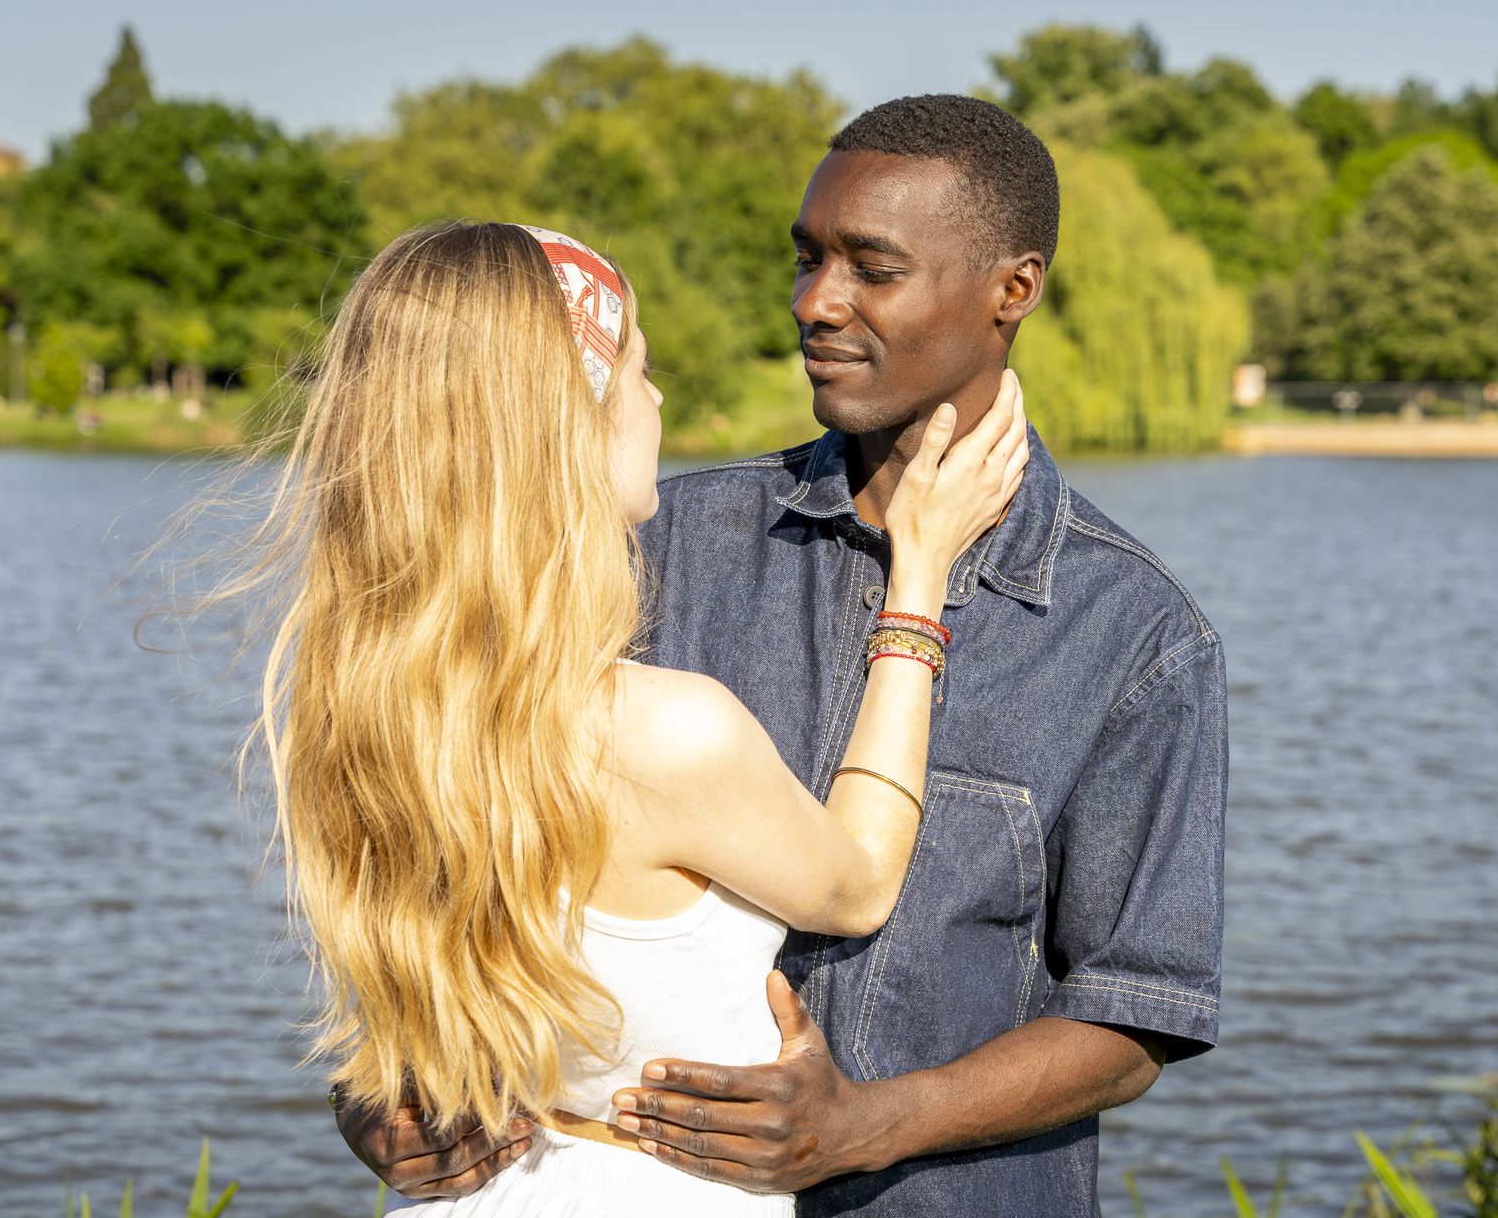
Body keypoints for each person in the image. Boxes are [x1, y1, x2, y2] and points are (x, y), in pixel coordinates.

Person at [342, 95, 1229, 1216]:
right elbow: (446, 835)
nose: (817, 302)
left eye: (874, 267)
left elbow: (1135, 1015)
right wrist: (383, 1086)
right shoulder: (647, 546)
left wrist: (863, 1127)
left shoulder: (1134, 630)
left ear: (1014, 288)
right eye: (807, 258)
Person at [227, 218, 1031, 1215]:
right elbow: (859, 881)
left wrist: (367, 1100)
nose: (656, 398)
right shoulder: (662, 732)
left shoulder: (360, 702)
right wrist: (919, 577)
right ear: (570, 422)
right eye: (637, 369)